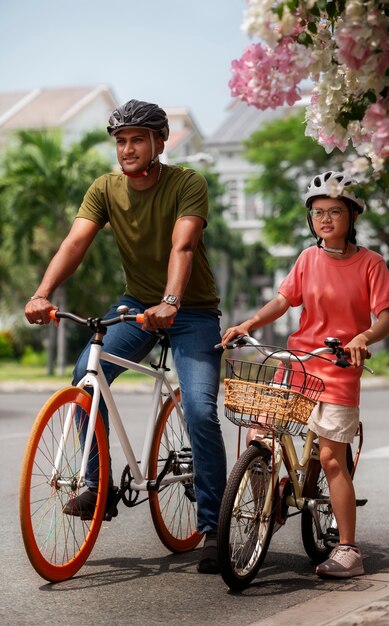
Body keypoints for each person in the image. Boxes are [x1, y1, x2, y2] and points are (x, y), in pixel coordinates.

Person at [24, 99, 227, 575]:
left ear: (160, 142)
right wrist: (41, 292)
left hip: (192, 310)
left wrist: (172, 302)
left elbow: (184, 244)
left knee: (199, 408)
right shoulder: (104, 189)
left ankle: (215, 526)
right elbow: (75, 241)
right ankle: (97, 486)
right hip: (136, 305)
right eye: (121, 141)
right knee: (85, 379)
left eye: (138, 139)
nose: (128, 148)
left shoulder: (186, 183)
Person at [222, 171, 389, 579]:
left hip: (338, 369)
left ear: (352, 216)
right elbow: (284, 300)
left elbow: (386, 318)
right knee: (259, 431)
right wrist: (248, 323)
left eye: (335, 211)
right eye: (318, 212)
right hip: (299, 362)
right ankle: (268, 505)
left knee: (333, 458)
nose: (326, 219)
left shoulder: (371, 264)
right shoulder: (306, 259)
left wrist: (363, 337)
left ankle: (348, 550)